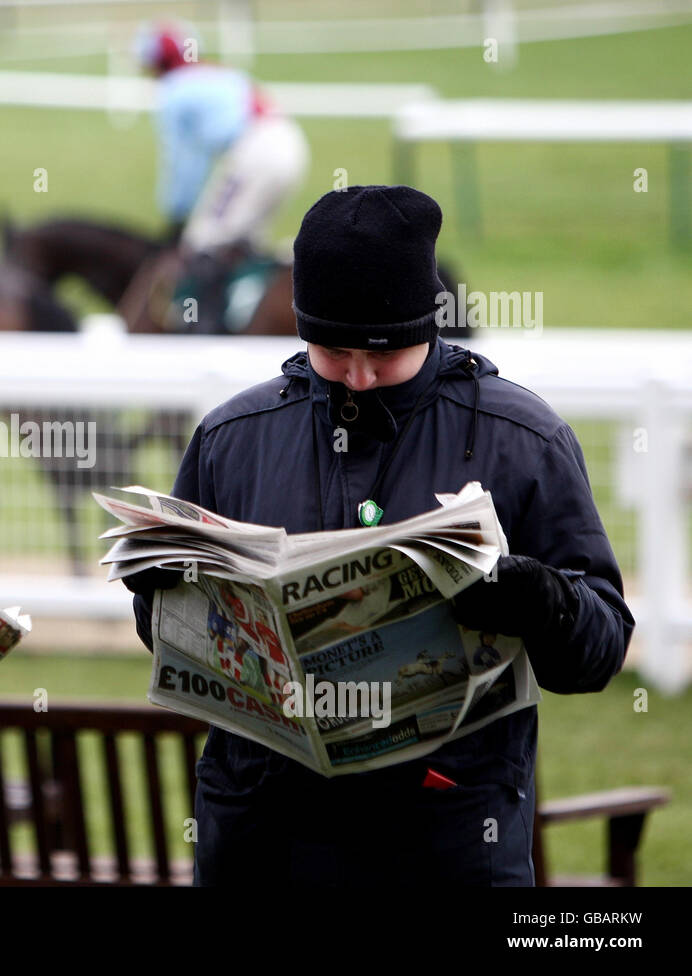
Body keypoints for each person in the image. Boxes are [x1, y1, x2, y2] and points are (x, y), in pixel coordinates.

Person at [126, 186, 633, 885]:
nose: (359, 378)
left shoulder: (523, 439)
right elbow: (172, 643)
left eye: (385, 354)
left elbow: (599, 649)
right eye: (333, 353)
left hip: (444, 843)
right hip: (261, 841)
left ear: (430, 329)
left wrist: (536, 597)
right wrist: (160, 597)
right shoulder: (231, 438)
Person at [134, 22, 308, 333]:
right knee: (244, 241)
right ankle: (245, 315)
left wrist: (176, 216)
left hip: (256, 150)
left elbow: (184, 162)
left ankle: (205, 331)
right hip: (288, 143)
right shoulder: (216, 72)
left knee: (204, 239)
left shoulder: (174, 91)